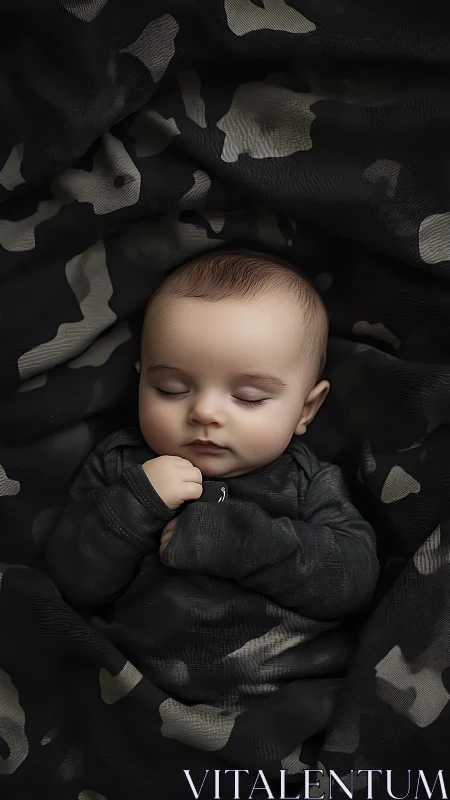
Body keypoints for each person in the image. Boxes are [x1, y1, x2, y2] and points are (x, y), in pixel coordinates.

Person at [45, 249, 379, 770]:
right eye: (170, 388)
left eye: (248, 397)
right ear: (139, 382)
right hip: (134, 697)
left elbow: (352, 580)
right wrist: (136, 503)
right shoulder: (125, 466)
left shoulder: (307, 482)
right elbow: (74, 579)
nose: (204, 411)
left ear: (305, 409)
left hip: (286, 706)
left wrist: (240, 541)